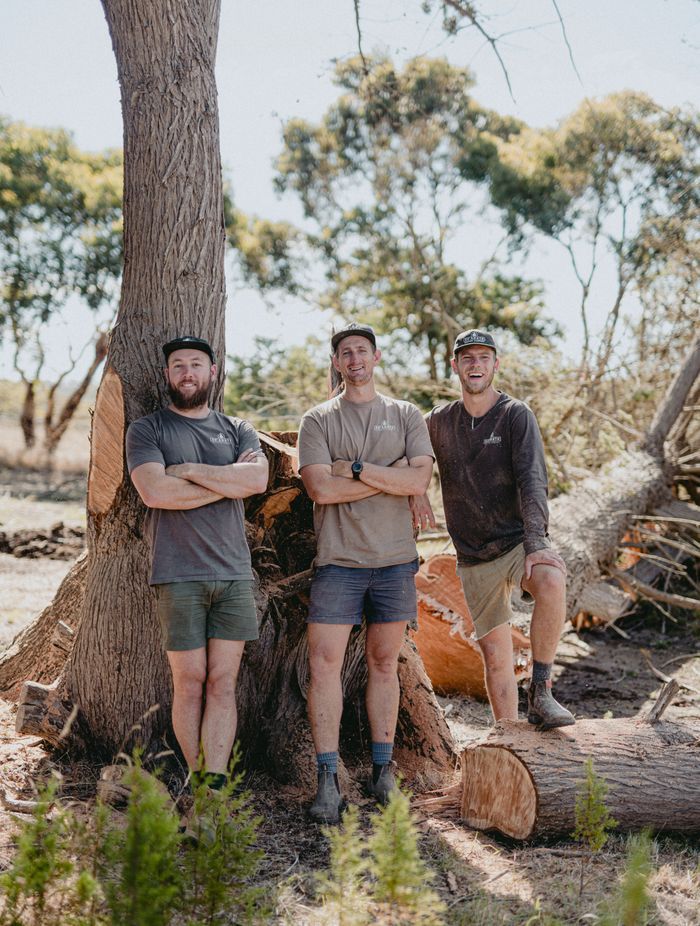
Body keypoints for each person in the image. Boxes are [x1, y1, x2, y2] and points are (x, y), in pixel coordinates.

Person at [298, 323, 434, 823]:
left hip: (395, 561)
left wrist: (351, 469)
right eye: (344, 352)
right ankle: (327, 780)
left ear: (376, 357)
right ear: (336, 363)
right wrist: (389, 477)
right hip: (338, 563)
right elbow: (320, 491)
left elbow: (420, 478)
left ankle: (382, 773)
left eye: (362, 351)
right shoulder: (317, 421)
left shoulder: (404, 414)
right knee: (324, 666)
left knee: (383, 665)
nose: (354, 359)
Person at [125, 335, 269, 791]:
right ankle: (195, 777)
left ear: (212, 371)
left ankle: (215, 783)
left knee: (222, 683)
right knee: (189, 682)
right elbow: (154, 492)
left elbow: (259, 479)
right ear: (167, 374)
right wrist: (229, 482)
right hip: (179, 574)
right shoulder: (147, 430)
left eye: (196, 364)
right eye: (179, 365)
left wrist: (185, 469)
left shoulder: (237, 429)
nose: (188, 373)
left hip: (233, 574)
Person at [424, 329, 574, 730]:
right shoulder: (439, 421)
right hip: (473, 554)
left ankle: (541, 691)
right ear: (455, 366)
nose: (476, 365)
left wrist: (537, 542)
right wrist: (415, 493)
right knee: (495, 657)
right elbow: (407, 457)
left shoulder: (514, 415)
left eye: (484, 357)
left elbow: (532, 480)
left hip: (515, 543)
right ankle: (509, 738)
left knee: (552, 579)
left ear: (496, 364)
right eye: (467, 358)